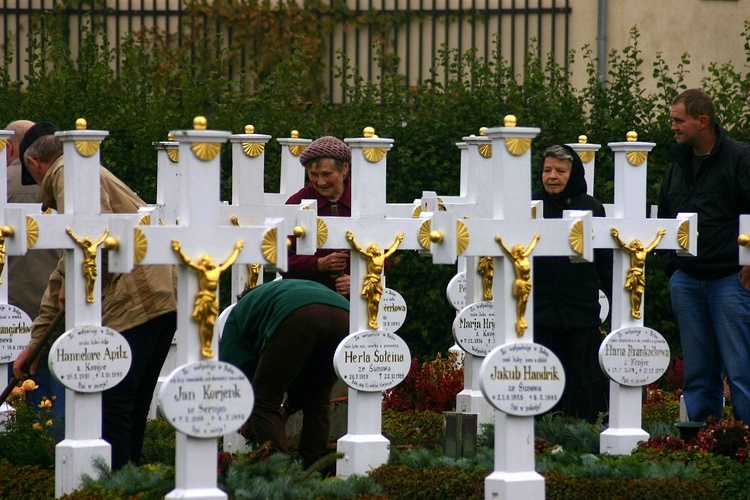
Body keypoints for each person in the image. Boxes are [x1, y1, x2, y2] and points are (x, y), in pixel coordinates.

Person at [12, 121, 178, 470]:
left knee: (115, 399)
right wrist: (36, 342)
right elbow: (65, 267)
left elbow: (93, 237)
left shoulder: (65, 174)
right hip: (163, 294)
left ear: (33, 164)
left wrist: (81, 281)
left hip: (136, 298)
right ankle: (132, 480)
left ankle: (116, 482)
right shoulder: (83, 172)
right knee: (132, 400)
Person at [658, 89, 750, 424]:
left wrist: (748, 260)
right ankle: (701, 445)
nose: (673, 127)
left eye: (678, 120)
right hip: (688, 281)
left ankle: (745, 448)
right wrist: (674, 269)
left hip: (731, 280)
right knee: (697, 374)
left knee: (742, 371)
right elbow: (665, 216)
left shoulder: (740, 159)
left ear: (702, 121)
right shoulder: (677, 166)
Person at [219, 279, 350, 468]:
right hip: (345, 316)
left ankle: (281, 473)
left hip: (299, 315)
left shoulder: (238, 313)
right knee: (317, 401)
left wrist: (245, 413)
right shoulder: (278, 293)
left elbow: (232, 371)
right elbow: (299, 371)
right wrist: (288, 409)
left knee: (262, 402)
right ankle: (314, 471)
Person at [532, 144, 613, 423]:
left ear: (573, 173)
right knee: (540, 380)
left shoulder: (590, 207)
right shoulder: (531, 206)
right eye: (547, 170)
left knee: (583, 384)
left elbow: (604, 260)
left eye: (560, 170)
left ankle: (583, 437)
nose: (552, 176)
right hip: (538, 314)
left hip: (579, 313)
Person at [4, 120, 63, 433]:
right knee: (57, 390)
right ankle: (51, 454)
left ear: (10, 147)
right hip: (56, 300)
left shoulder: (4, 182)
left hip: (13, 303)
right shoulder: (65, 179)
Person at [282, 136, 353, 296]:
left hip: (357, 300)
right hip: (306, 297)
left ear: (345, 169)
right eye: (314, 174)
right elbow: (280, 259)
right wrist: (318, 264)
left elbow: (383, 256)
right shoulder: (296, 202)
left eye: (327, 174)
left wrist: (357, 281)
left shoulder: (365, 202)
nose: (320, 182)